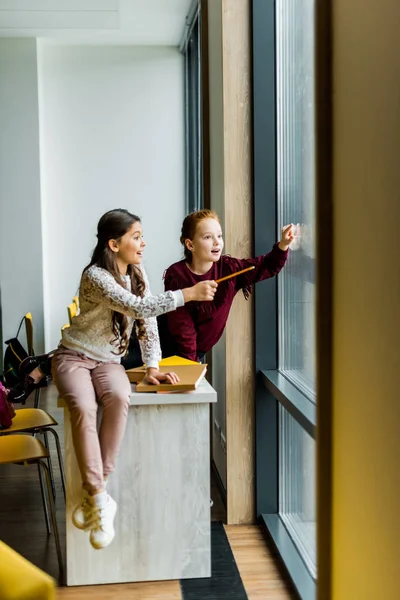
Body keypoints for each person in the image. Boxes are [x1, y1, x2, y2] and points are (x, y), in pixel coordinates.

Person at [51, 209, 217, 550]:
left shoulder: (138, 274)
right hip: (74, 357)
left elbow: (147, 324)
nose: (143, 243)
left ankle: (97, 493)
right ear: (114, 244)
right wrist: (188, 294)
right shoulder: (96, 276)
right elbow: (137, 308)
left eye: (142, 236)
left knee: (120, 398)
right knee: (83, 406)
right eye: (136, 237)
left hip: (109, 361)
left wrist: (152, 365)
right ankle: (98, 496)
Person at [161, 209, 293, 362]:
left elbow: (266, 266)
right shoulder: (176, 275)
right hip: (166, 349)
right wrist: (190, 365)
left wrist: (283, 244)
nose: (217, 242)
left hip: (194, 355)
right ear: (190, 244)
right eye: (208, 237)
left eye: (219, 236)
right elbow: (182, 327)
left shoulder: (229, 268)